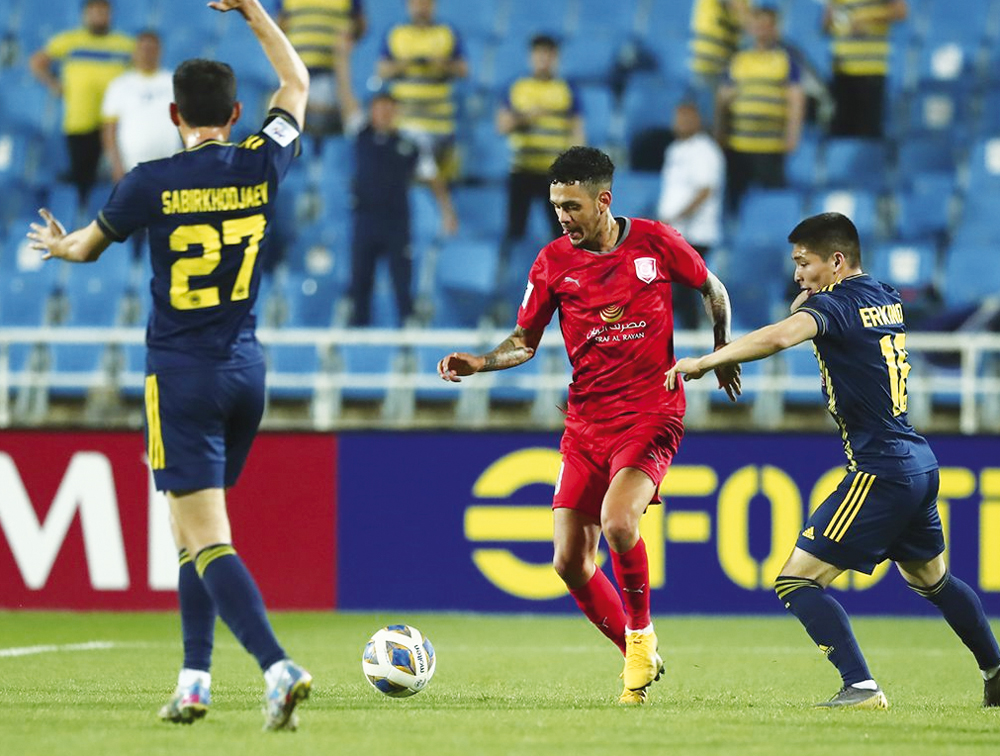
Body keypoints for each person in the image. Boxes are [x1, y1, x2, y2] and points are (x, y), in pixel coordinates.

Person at [27, 0, 314, 731]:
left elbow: (88, 246)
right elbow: (300, 82)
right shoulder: (261, 161)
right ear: (236, 111)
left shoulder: (149, 181)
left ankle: (279, 668)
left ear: (175, 113)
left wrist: (59, 245)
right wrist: (252, 10)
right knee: (189, 533)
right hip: (247, 373)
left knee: (206, 536)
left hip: (182, 377)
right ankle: (194, 680)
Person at [437, 146, 741, 705]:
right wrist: (480, 362)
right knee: (568, 561)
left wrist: (721, 350)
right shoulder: (552, 261)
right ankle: (637, 650)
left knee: (619, 523)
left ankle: (641, 636)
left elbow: (712, 288)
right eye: (556, 206)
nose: (563, 217)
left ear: (604, 200)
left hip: (652, 412)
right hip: (586, 421)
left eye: (573, 206)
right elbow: (524, 341)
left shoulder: (656, 242)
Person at [666, 212, 1000, 709]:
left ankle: (861, 687)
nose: (797, 274)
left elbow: (781, 336)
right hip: (917, 460)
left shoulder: (837, 305)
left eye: (805, 263)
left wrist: (708, 359)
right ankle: (996, 668)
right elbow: (815, 318)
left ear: (837, 261)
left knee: (797, 579)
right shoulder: (884, 294)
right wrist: (811, 298)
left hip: (880, 468)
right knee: (931, 579)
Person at [337, 33, 457, 327]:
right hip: (364, 218)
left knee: (401, 282)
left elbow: (432, 177)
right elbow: (346, 97)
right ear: (372, 110)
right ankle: (358, 341)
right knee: (360, 282)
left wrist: (447, 212)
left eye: (389, 106)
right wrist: (342, 59)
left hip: (396, 220)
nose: (384, 112)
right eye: (379, 106)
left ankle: (406, 337)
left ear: (396, 111)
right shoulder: (360, 133)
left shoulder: (409, 143)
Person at [29, 0, 135, 206]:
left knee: (121, 174)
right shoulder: (69, 41)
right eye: (94, 12)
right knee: (83, 177)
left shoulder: (125, 44)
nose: (99, 16)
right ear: (85, 15)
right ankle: (81, 217)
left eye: (104, 12)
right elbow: (37, 61)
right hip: (80, 119)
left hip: (116, 122)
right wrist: (53, 84)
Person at [715, 5, 805, 213]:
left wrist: (793, 135)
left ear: (775, 29)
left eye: (767, 25)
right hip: (738, 146)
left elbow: (796, 99)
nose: (762, 30)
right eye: (758, 25)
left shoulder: (786, 59)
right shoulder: (738, 60)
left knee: (771, 203)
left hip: (770, 147)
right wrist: (720, 132)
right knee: (735, 202)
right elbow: (723, 98)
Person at [497, 34, 585, 246]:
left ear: (556, 57)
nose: (544, 59)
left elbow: (578, 131)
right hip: (522, 169)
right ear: (531, 57)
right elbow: (502, 126)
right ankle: (514, 273)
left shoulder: (567, 89)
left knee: (562, 232)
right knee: (515, 231)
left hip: (555, 174)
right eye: (539, 54)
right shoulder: (517, 87)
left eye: (549, 54)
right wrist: (526, 117)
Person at [101, 31, 181, 258]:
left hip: (168, 170)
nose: (147, 53)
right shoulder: (120, 85)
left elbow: (187, 124)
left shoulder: (173, 82)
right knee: (130, 224)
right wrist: (115, 164)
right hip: (131, 170)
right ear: (135, 52)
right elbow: (109, 129)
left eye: (152, 49)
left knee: (164, 225)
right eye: (143, 49)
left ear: (160, 51)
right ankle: (130, 272)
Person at [376, 0, 468, 179]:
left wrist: (442, 64)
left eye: (426, 2)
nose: (421, 6)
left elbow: (464, 70)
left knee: (438, 181)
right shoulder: (396, 33)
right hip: (404, 124)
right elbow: (381, 71)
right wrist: (405, 63)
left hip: (440, 125)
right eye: (416, 2)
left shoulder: (447, 33)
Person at [656, 102, 725, 330]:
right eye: (677, 118)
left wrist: (676, 216)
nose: (680, 123)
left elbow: (705, 190)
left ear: (697, 120)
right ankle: (682, 332)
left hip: (696, 232)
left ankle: (694, 333)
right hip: (675, 231)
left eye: (685, 118)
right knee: (676, 287)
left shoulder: (705, 150)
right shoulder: (674, 149)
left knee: (685, 287)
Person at [279, 0, 367, 137]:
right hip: (297, 70)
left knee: (351, 124)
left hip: (334, 73)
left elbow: (360, 24)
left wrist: (344, 46)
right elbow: (278, 26)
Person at [824, 0, 908, 138]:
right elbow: (826, 24)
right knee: (841, 132)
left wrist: (866, 19)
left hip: (871, 69)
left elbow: (901, 12)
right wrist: (835, 21)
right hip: (842, 69)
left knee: (868, 134)